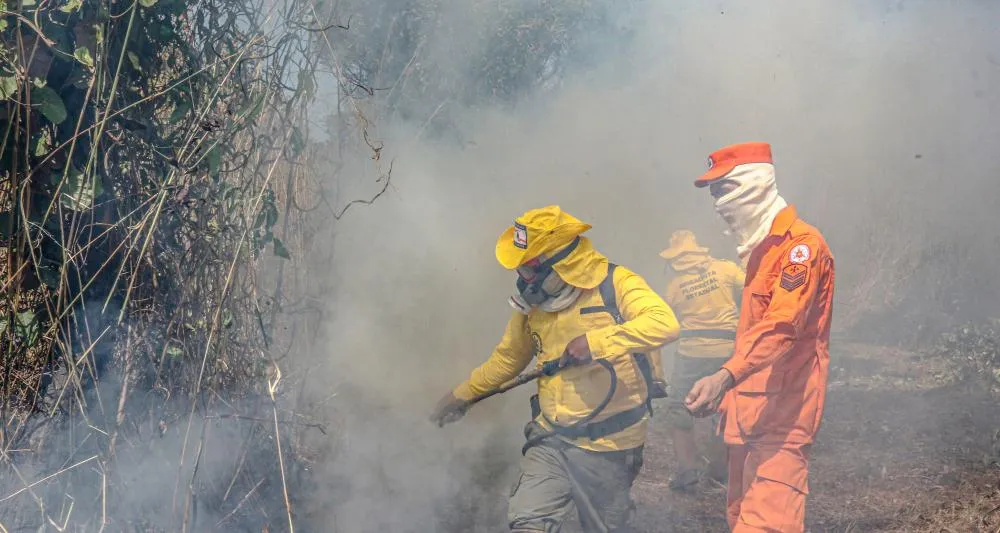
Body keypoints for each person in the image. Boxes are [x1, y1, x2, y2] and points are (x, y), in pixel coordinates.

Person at [429, 205, 680, 533]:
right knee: (528, 523)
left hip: (612, 445)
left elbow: (665, 324)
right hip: (552, 438)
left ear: (560, 262)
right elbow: (507, 359)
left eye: (528, 269)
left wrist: (596, 342)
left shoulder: (615, 283)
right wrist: (463, 395)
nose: (522, 279)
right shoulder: (532, 306)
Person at [683, 142, 835, 533]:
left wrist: (723, 376)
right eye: (713, 194)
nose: (718, 203)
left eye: (723, 190)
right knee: (739, 520)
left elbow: (782, 326)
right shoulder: (759, 253)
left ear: (752, 185)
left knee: (766, 526)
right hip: (746, 417)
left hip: (783, 419)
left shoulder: (801, 248)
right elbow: (752, 335)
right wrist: (729, 401)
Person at [655, 229, 744, 492]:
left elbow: (663, 321)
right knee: (725, 408)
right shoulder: (726, 270)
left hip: (690, 353)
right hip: (727, 351)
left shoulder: (673, 286)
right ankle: (719, 473)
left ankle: (687, 472)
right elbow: (753, 287)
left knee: (679, 407)